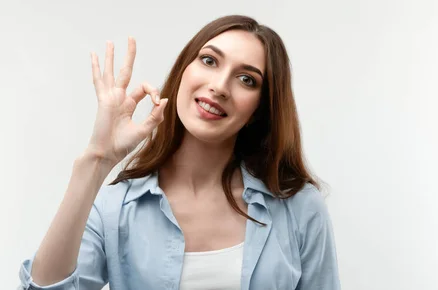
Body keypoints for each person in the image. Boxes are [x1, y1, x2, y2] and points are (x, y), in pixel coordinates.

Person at [18, 14, 340, 290]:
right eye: (209, 60)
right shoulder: (116, 210)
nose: (219, 86)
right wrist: (97, 158)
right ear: (184, 70)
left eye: (246, 79)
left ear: (259, 109)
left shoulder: (298, 208)